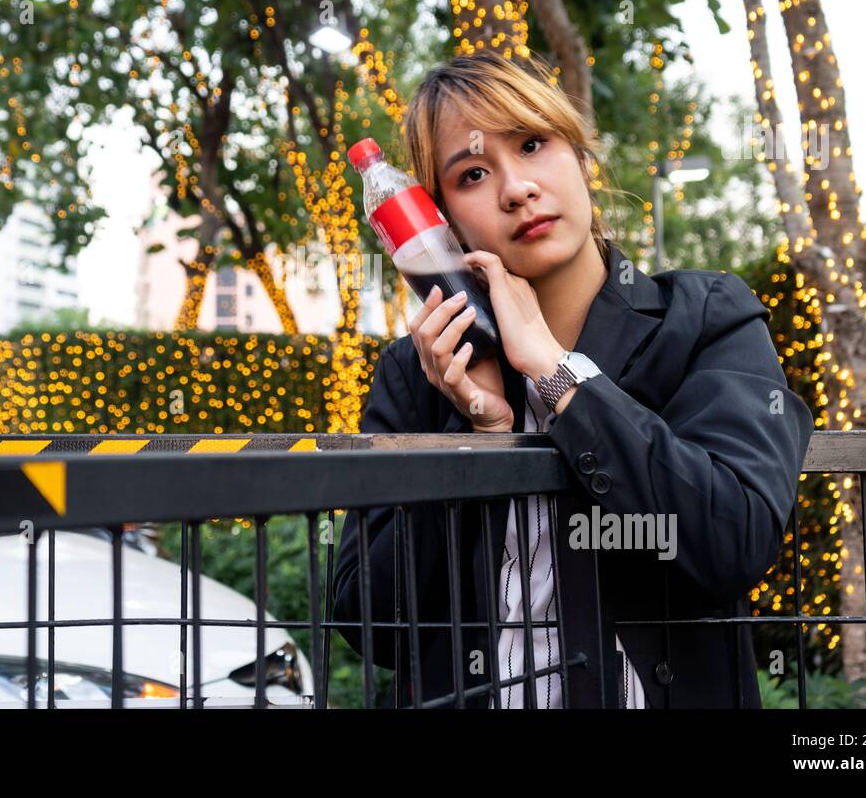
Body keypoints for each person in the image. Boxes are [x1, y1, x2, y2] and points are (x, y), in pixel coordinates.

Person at [331, 49, 815, 709]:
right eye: (473, 173)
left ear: (582, 156)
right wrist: (479, 439)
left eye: (533, 144)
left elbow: (735, 538)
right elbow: (370, 624)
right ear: (441, 220)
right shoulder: (416, 373)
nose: (515, 188)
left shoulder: (703, 319)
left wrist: (559, 378)